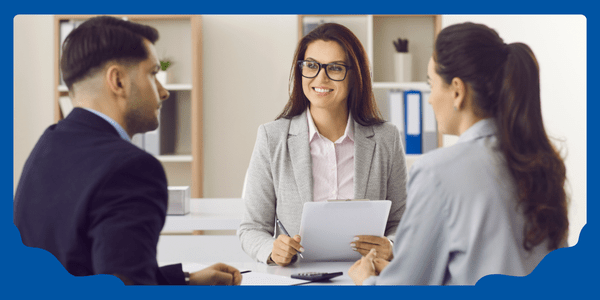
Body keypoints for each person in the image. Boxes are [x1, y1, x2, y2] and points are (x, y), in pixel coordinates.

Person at [13, 16, 242, 286]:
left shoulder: (49, 144)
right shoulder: (131, 168)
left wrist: (186, 280)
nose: (163, 91)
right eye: (153, 73)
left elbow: (90, 273)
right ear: (118, 81)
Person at [348, 22, 569, 285]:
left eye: (431, 85)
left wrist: (366, 280)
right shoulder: (542, 163)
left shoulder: (436, 171)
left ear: (456, 90)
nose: (429, 99)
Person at [237, 23, 407, 266]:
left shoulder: (386, 139)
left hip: (366, 277)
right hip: (297, 279)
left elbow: (403, 222)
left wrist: (391, 246)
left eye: (335, 68)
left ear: (354, 76)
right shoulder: (271, 138)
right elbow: (251, 228)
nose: (321, 78)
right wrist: (272, 250)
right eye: (311, 66)